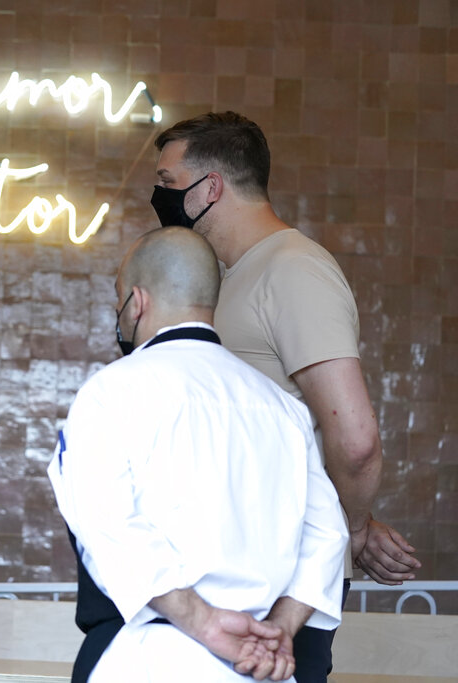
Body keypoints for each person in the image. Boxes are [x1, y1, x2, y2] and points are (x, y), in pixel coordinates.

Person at [150, 111, 420, 681]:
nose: (159, 197)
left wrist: (351, 530)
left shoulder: (294, 270)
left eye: (168, 183)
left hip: (280, 591)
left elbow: (355, 439)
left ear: (211, 187)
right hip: (234, 574)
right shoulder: (236, 277)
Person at [49, 226, 349, 682]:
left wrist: (203, 621)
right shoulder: (282, 407)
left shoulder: (113, 391)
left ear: (137, 302)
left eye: (118, 300)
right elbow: (328, 533)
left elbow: (103, 518)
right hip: (262, 665)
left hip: (148, 661)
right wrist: (280, 629)